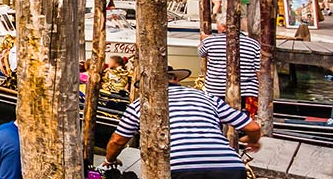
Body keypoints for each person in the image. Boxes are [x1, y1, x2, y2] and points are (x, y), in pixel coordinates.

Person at [105, 66, 261, 179]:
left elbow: (117, 140)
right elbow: (253, 127)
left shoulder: (140, 104)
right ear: (176, 79)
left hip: (179, 168)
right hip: (230, 167)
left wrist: (109, 160)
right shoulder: (206, 97)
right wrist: (251, 141)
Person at [199, 18, 263, 115]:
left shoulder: (209, 41)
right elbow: (258, 71)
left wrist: (203, 40)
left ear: (223, 26)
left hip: (216, 90)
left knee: (217, 119)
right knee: (246, 121)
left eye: (218, 25)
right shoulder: (253, 44)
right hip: (248, 91)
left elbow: (201, 53)